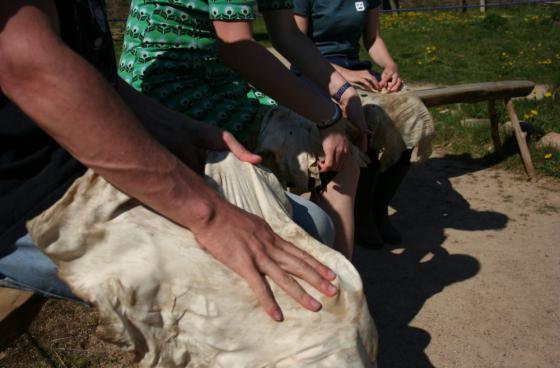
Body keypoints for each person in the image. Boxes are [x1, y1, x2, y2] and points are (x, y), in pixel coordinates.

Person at [0, 0, 340, 335]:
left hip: (84, 159)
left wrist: (180, 129)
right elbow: (27, 65)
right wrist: (208, 213)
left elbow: (99, 80)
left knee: (316, 226)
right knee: (264, 296)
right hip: (28, 198)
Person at [118, 0, 370, 258]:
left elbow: (288, 34)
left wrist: (345, 94)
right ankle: (336, 287)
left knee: (339, 155)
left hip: (219, 80)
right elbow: (237, 48)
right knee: (335, 157)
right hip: (168, 89)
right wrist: (327, 117)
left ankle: (334, 276)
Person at [293, 0, 434, 247]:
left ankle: (379, 207)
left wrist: (390, 66)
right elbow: (296, 43)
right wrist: (343, 75)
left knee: (411, 113)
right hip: (314, 71)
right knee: (370, 118)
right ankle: (361, 214)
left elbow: (373, 39)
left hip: (358, 71)